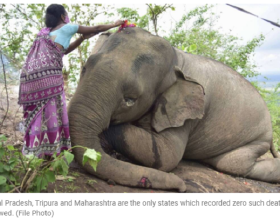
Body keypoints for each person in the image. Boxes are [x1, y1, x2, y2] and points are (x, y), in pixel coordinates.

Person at [18, 4, 124, 158]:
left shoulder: (44, 33)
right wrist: (114, 24)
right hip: (50, 79)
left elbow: (63, 51)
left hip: (32, 80)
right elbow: (96, 28)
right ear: (62, 16)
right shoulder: (67, 27)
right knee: (51, 111)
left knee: (37, 114)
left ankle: (32, 153)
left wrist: (81, 38)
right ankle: (51, 152)